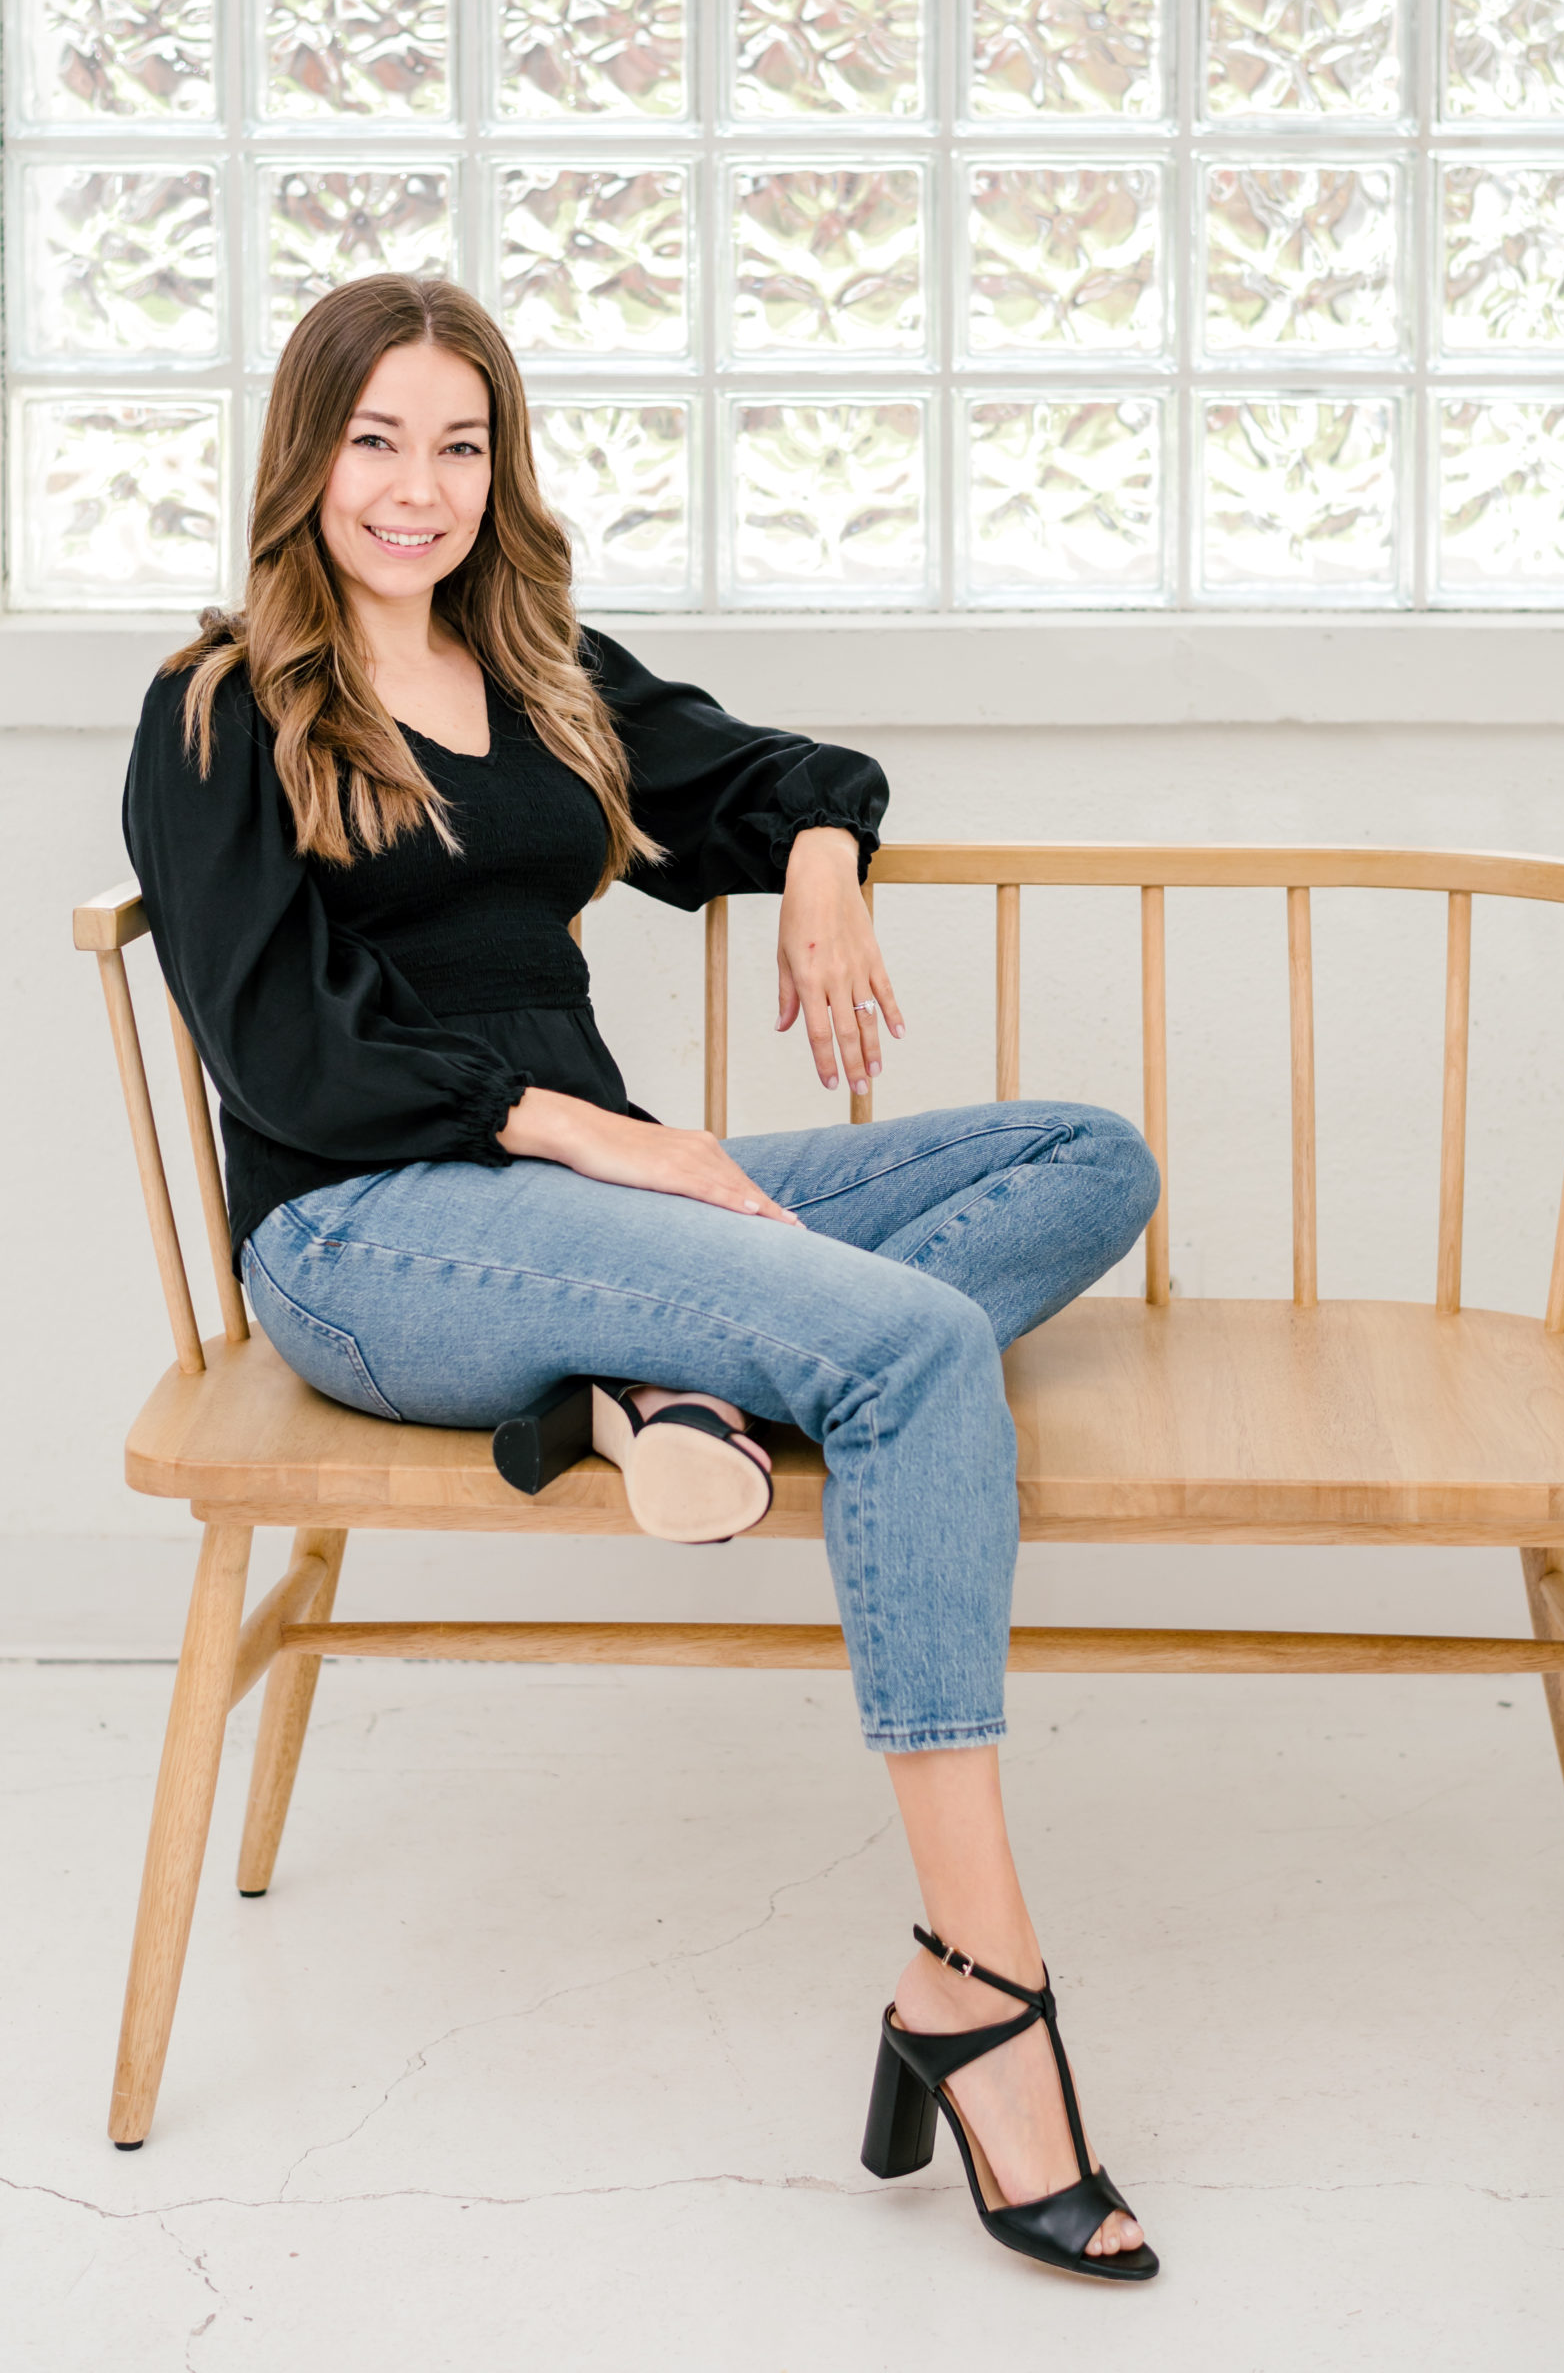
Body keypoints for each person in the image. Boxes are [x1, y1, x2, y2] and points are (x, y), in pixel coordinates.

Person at [122, 275, 1162, 2282]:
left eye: (460, 442)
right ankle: (983, 1975)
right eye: (374, 441)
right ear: (302, 454)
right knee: (921, 1345)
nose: (418, 487)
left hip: (601, 1221)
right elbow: (293, 1057)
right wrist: (616, 1139)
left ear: (497, 465)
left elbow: (776, 775)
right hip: (369, 1234)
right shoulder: (220, 710)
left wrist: (828, 867)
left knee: (1082, 1155)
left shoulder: (536, 664)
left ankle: (658, 1378)